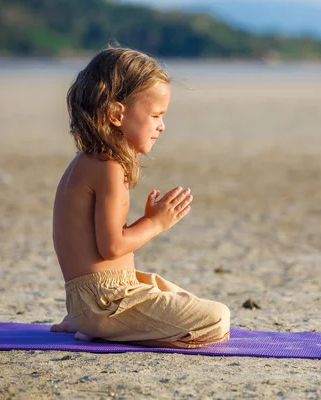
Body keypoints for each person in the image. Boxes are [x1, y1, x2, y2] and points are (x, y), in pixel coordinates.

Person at [49, 47, 230, 348]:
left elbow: (96, 245)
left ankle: (85, 321)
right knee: (217, 318)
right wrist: (154, 223)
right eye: (156, 115)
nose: (162, 125)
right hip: (106, 301)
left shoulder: (85, 162)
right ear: (116, 114)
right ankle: (101, 327)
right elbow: (112, 246)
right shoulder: (108, 168)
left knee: (169, 291)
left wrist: (144, 221)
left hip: (93, 298)